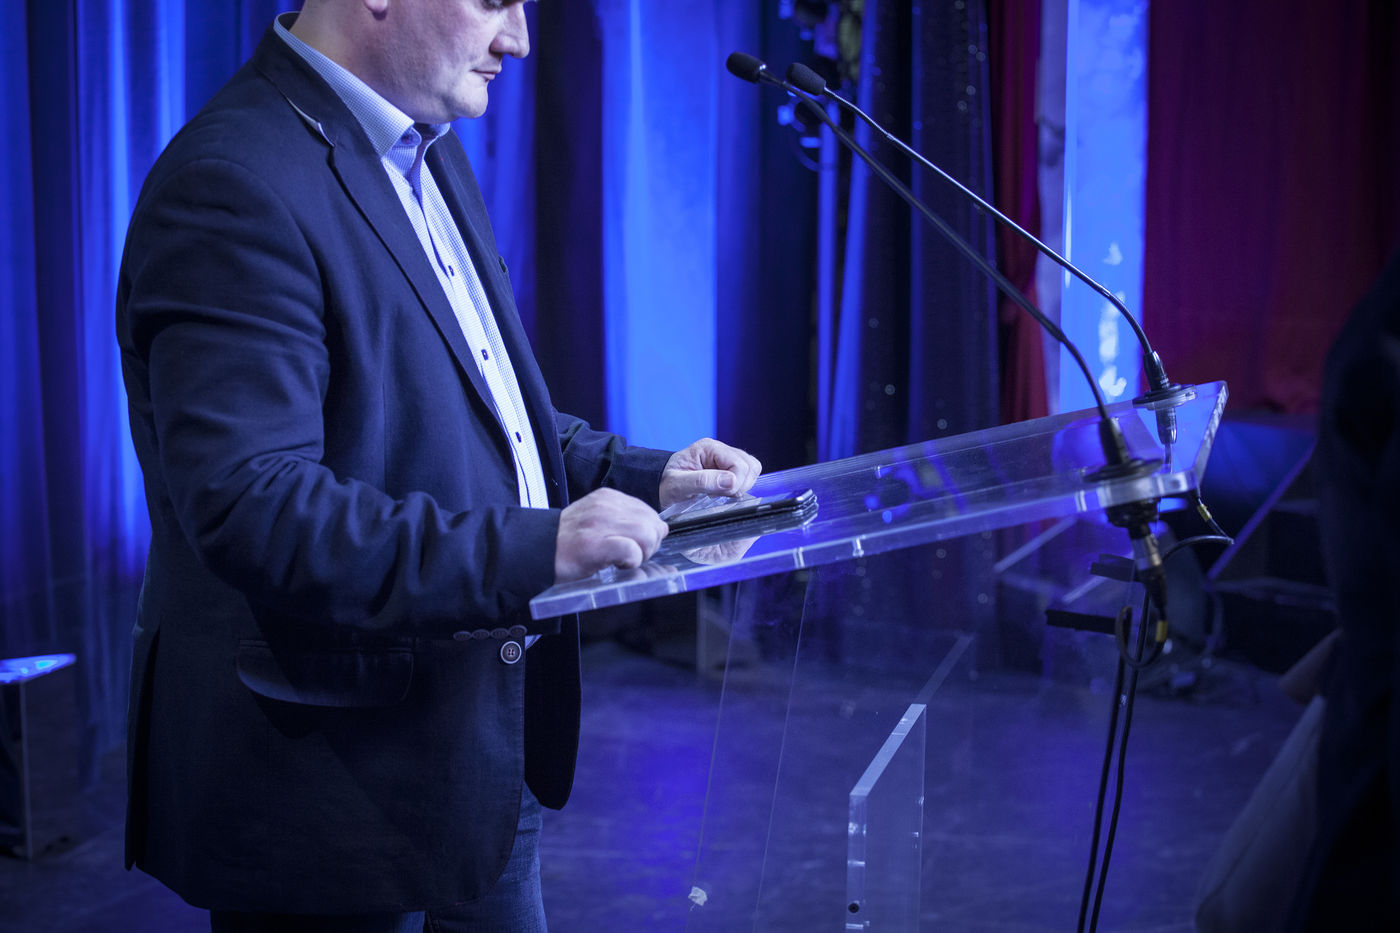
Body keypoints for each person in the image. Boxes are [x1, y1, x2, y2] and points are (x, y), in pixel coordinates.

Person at [114, 1, 760, 929]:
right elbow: (256, 507)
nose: (519, 39)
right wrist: (537, 549)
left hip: (474, 750)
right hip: (329, 789)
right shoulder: (230, 183)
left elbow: (474, 410)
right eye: (494, 1)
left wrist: (639, 475)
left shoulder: (428, 147)